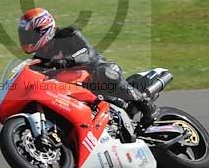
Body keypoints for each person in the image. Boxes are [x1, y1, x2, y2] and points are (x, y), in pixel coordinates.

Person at [17, 7, 158, 127]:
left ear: (43, 29)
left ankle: (145, 105)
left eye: (30, 36)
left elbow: (86, 53)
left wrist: (65, 62)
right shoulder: (39, 57)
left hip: (96, 74)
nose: (27, 40)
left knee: (104, 72)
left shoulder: (68, 34)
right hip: (72, 88)